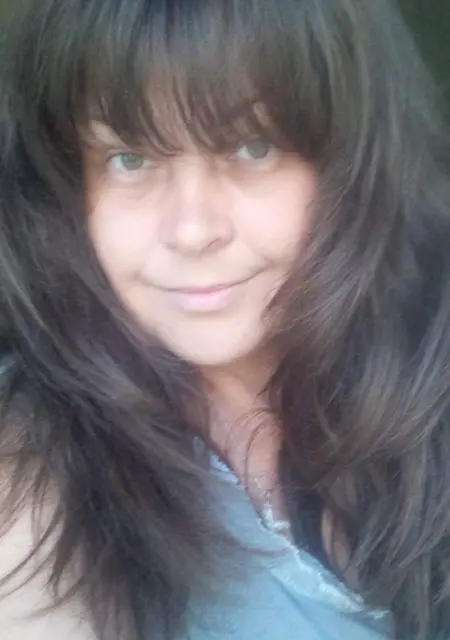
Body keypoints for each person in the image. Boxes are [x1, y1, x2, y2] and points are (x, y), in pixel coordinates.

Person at [0, 0, 449, 638]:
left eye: (253, 146)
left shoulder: (428, 357)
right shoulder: (33, 457)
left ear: (349, 162)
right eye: (129, 159)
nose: (192, 230)